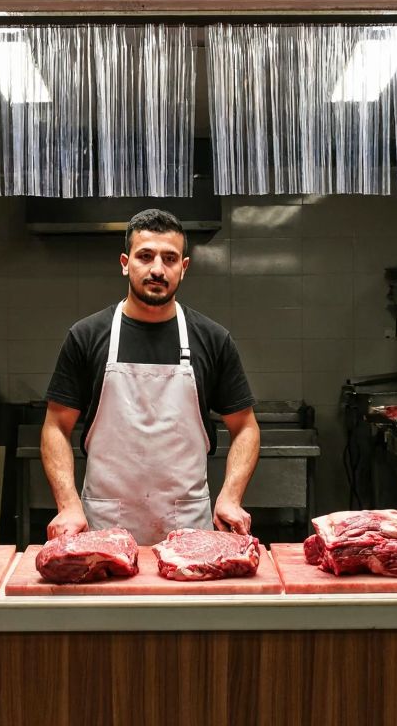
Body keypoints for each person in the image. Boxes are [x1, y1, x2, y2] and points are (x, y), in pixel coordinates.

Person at [42, 209, 259, 546]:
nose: (158, 269)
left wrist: (230, 496)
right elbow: (56, 425)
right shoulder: (86, 336)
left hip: (188, 529)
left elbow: (245, 427)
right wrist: (68, 505)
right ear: (126, 263)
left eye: (170, 258)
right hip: (104, 526)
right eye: (146, 256)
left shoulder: (213, 339)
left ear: (183, 268)